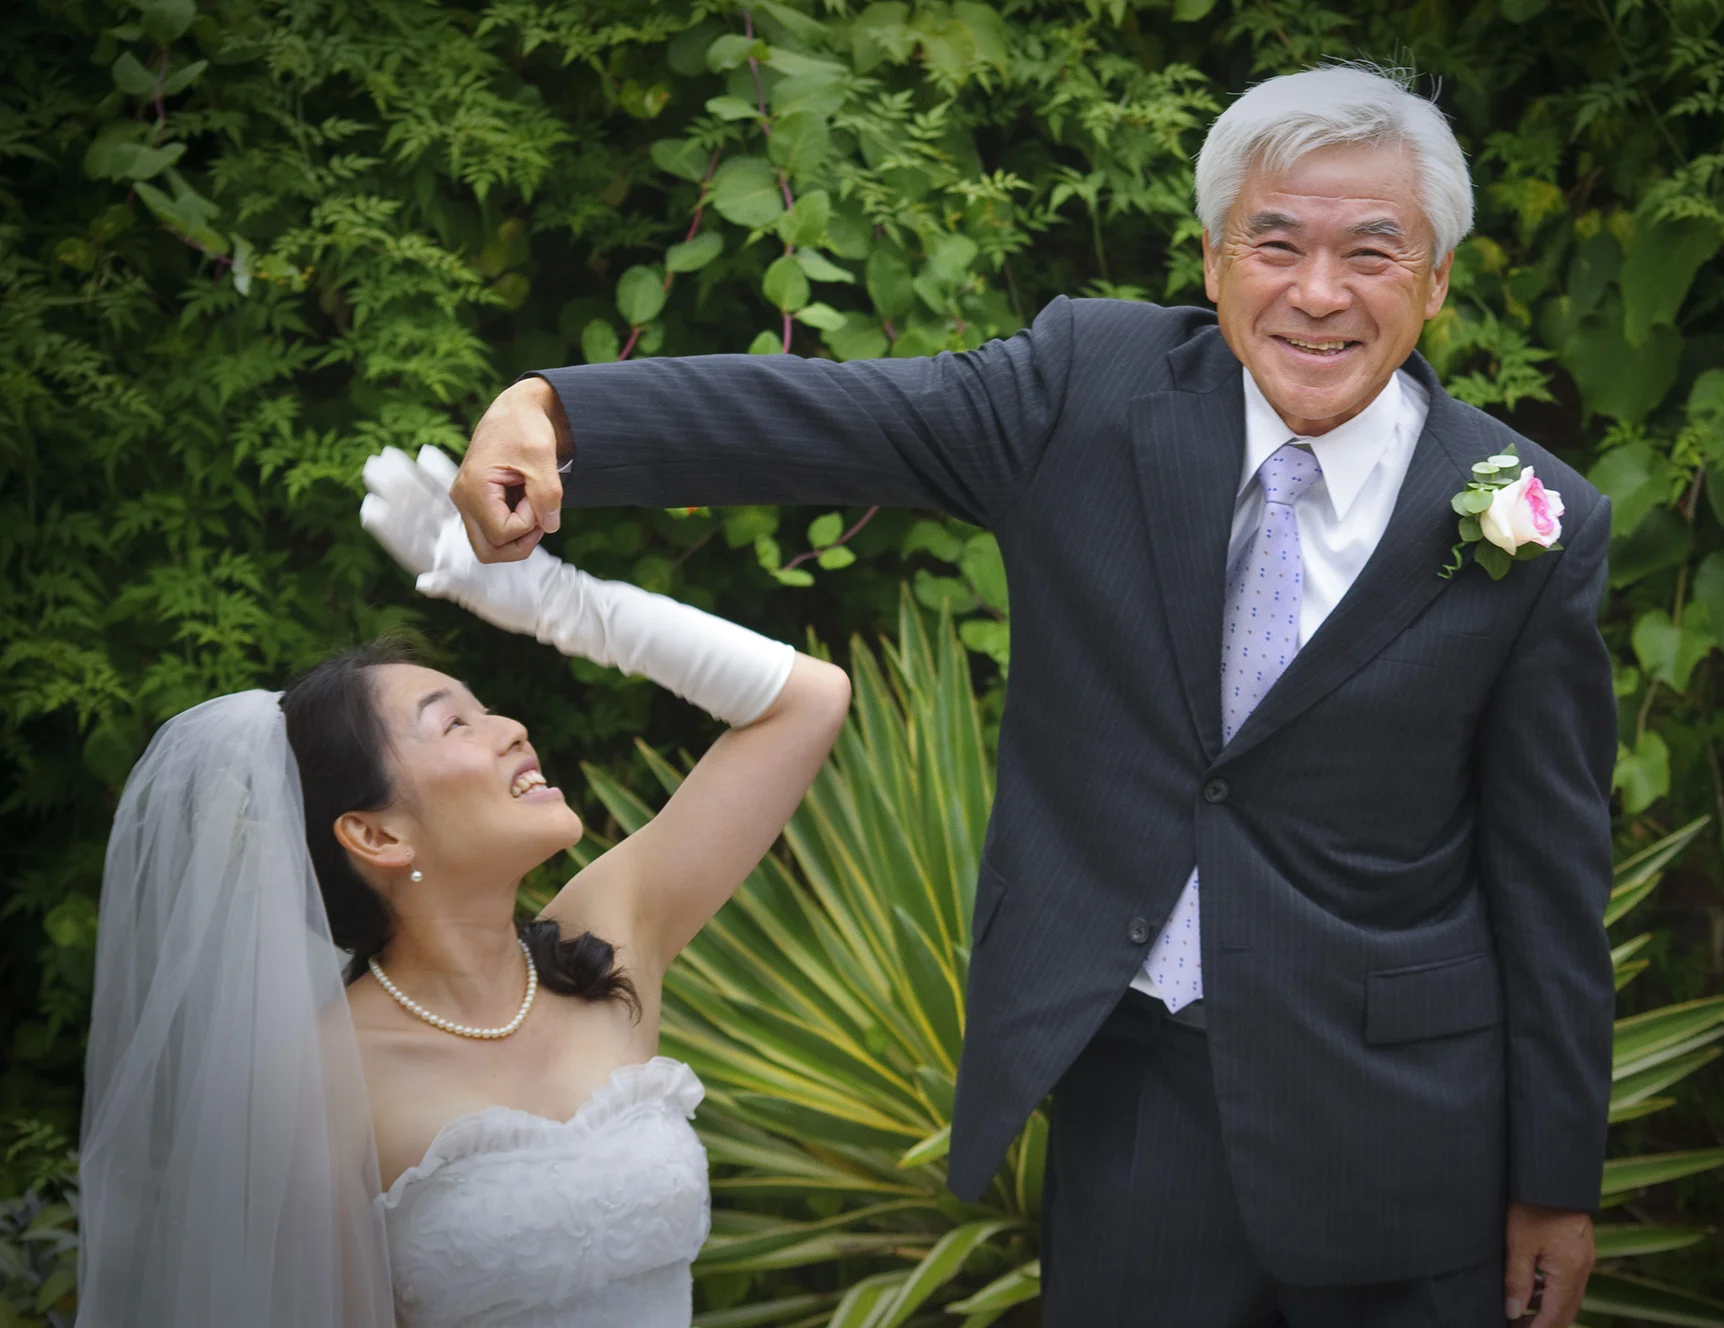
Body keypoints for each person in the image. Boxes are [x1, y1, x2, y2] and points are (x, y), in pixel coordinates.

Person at [451, 61, 1617, 1328]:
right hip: (1134, 1091)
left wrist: (1554, 1178)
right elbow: (839, 417)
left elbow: (1550, 877)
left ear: (1436, 278)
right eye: (1273, 243)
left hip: (1404, 1130)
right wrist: (557, 414)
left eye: (1371, 253)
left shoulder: (1530, 517)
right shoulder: (1085, 386)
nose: (1317, 293)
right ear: (1215, 259)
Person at [76, 447, 850, 1326]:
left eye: (488, 709)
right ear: (373, 833)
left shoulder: (603, 941)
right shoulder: (321, 1081)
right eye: (454, 724)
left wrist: (562, 605)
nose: (512, 730)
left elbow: (808, 701)